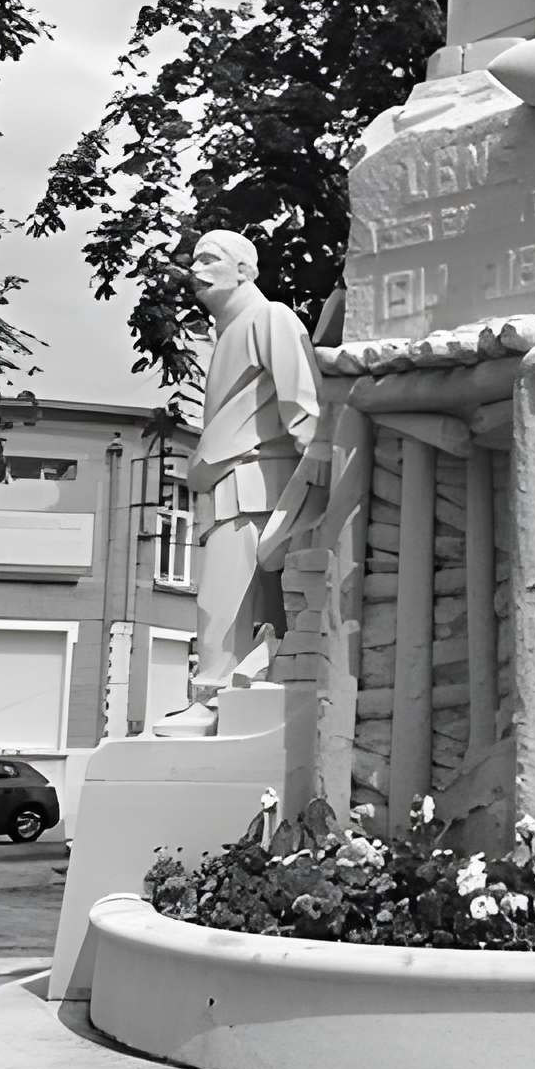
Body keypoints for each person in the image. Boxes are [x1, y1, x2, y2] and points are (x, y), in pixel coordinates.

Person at [180, 231, 320, 713]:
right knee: (252, 610)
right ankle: (237, 697)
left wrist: (318, 479)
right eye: (194, 259)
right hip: (231, 484)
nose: (197, 268)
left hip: (259, 484)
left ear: (245, 269)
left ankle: (212, 700)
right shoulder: (229, 331)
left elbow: (302, 404)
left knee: (221, 605)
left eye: (210, 258)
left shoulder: (269, 317)